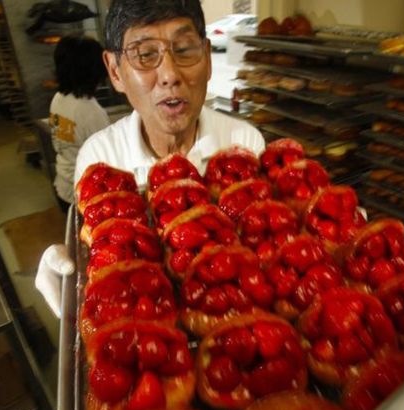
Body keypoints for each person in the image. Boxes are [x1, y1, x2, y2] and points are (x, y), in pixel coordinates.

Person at [36, 0, 265, 315]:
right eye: (145, 55)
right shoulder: (100, 158)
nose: (170, 75)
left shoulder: (244, 144)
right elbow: (100, 251)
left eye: (184, 49)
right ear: (115, 71)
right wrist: (78, 277)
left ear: (208, 58)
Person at [49, 34, 111, 211]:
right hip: (84, 195)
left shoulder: (59, 98)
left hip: (63, 183)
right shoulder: (90, 111)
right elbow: (107, 163)